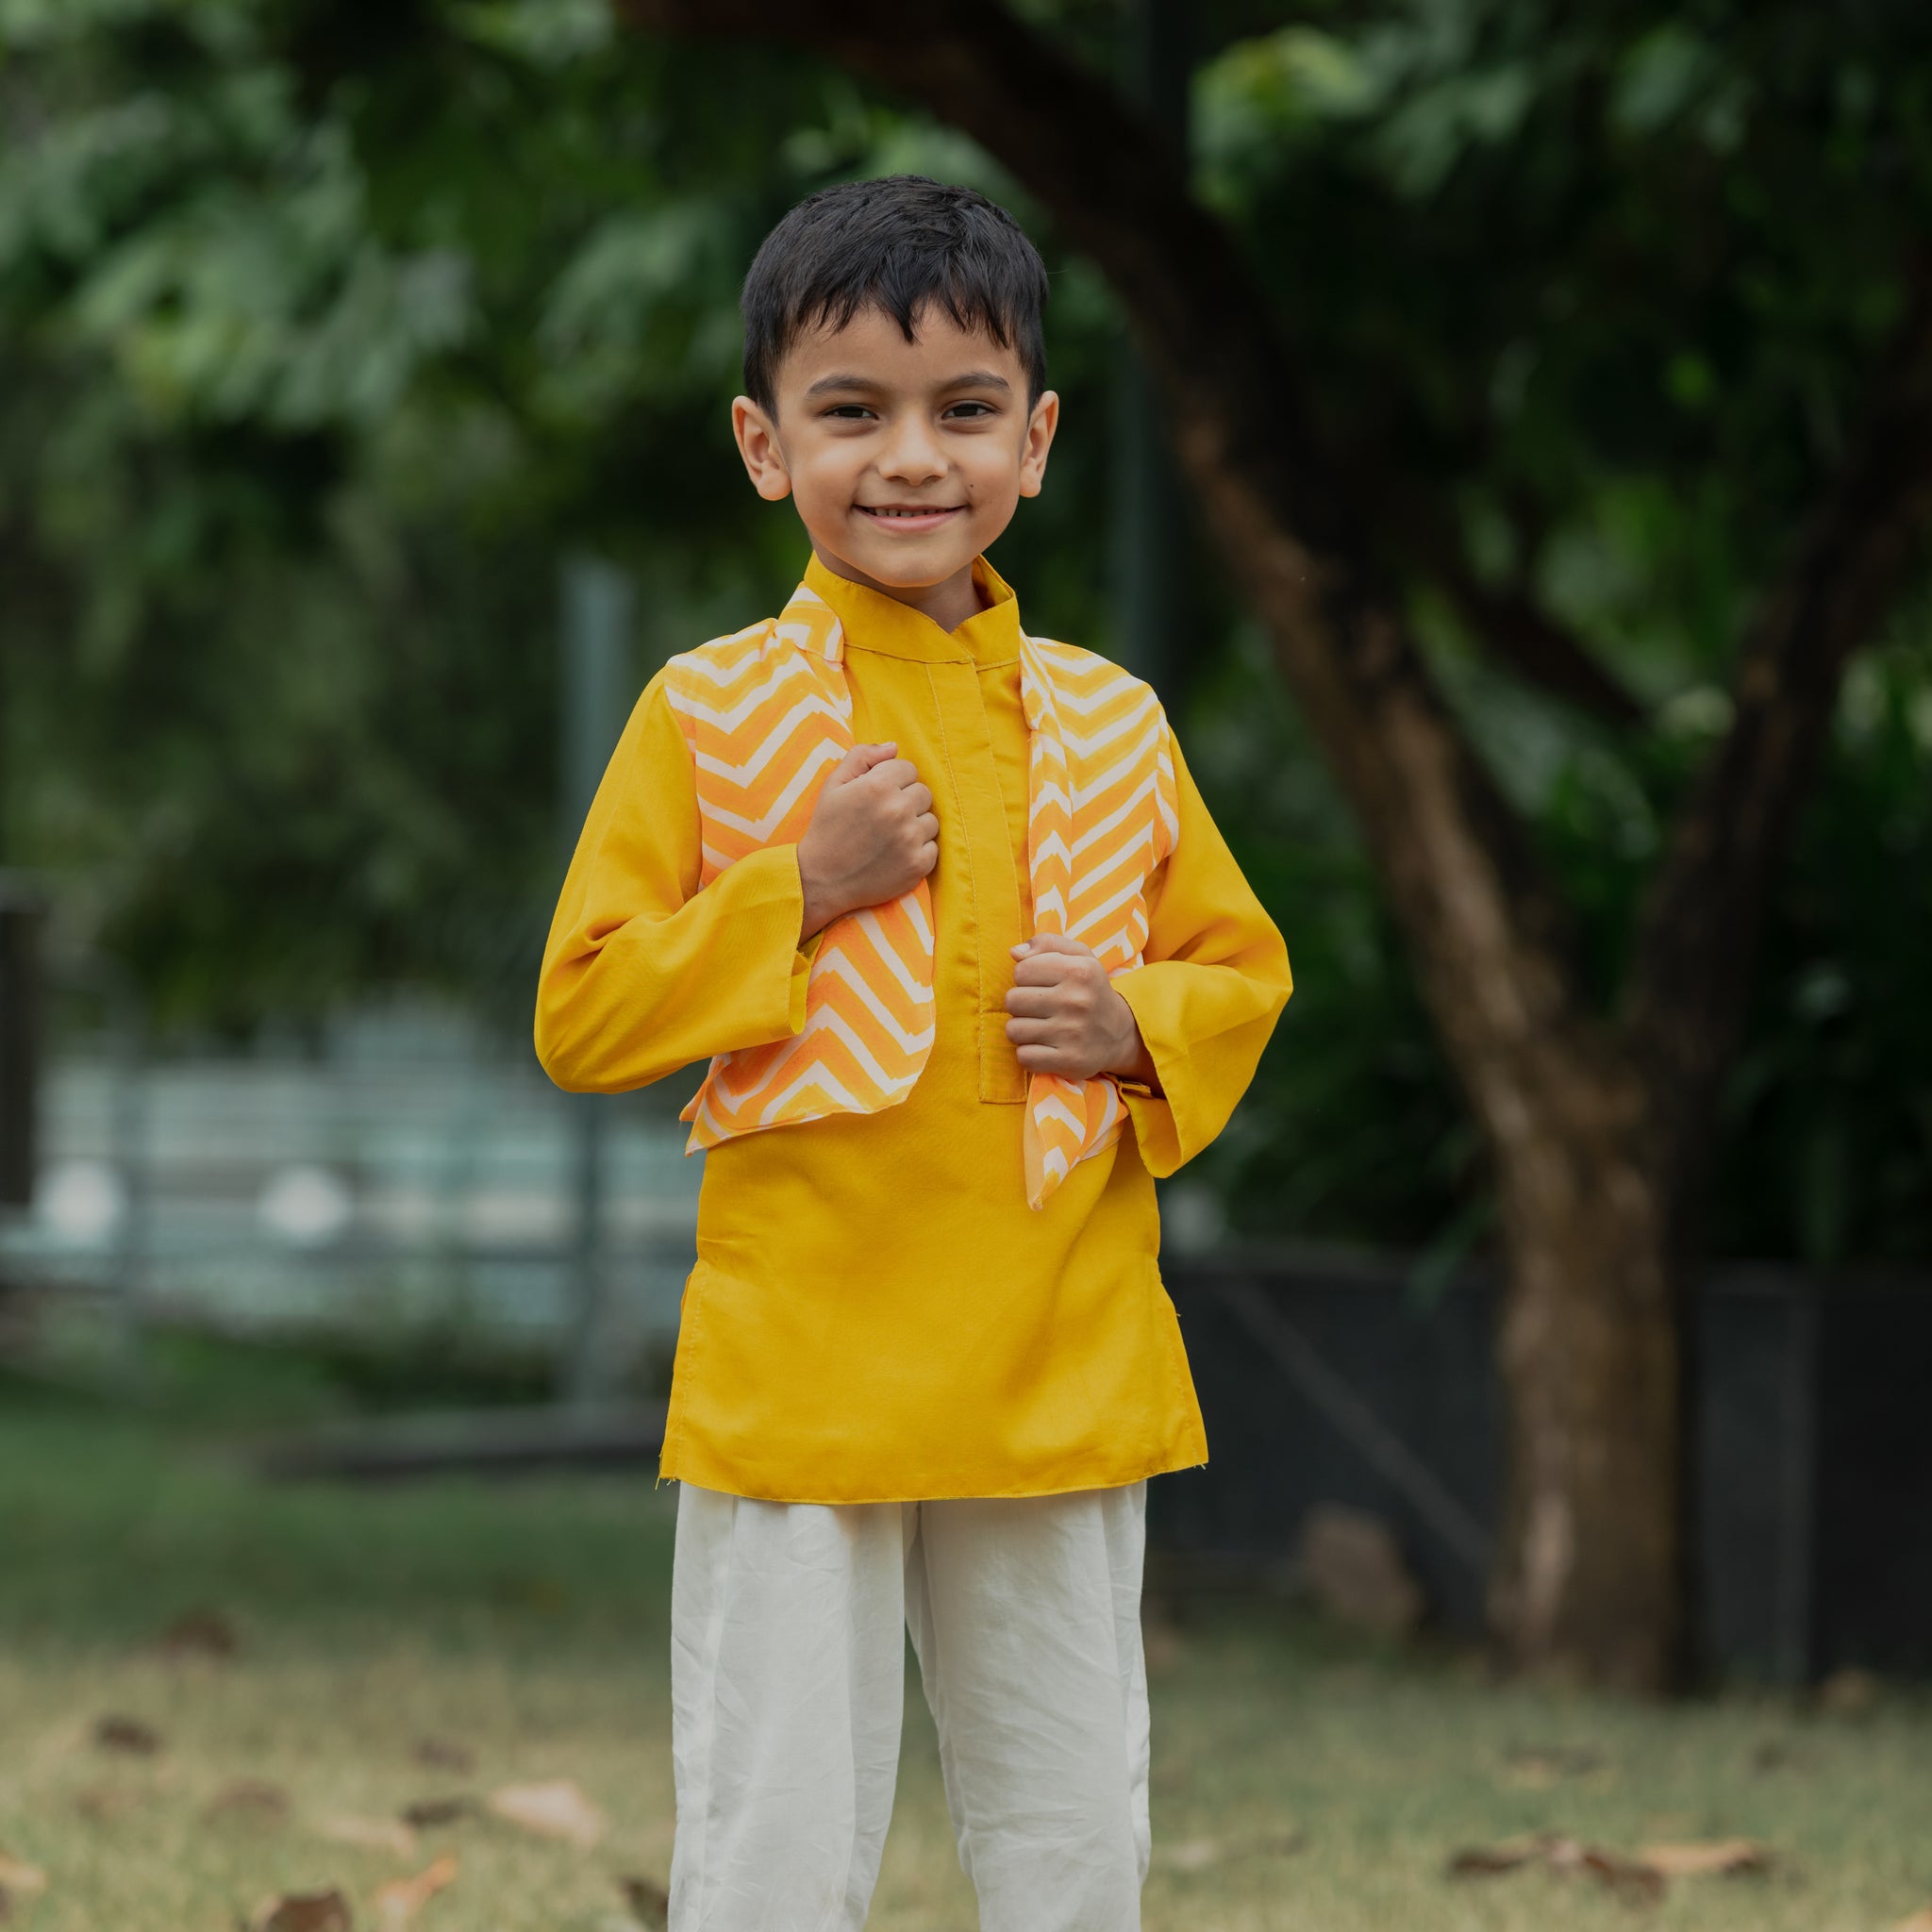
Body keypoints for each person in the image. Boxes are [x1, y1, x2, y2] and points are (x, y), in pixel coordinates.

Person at [536, 174, 1291, 1932]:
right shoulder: (708, 712)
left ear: (1036, 440)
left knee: (1068, 1822)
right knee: (776, 1830)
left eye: (963, 411)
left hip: (1054, 1349)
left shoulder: (1118, 721)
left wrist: (1135, 1025)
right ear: (760, 442)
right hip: (806, 1364)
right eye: (850, 411)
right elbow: (582, 1009)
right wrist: (802, 891)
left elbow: (1239, 972)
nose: (910, 459)